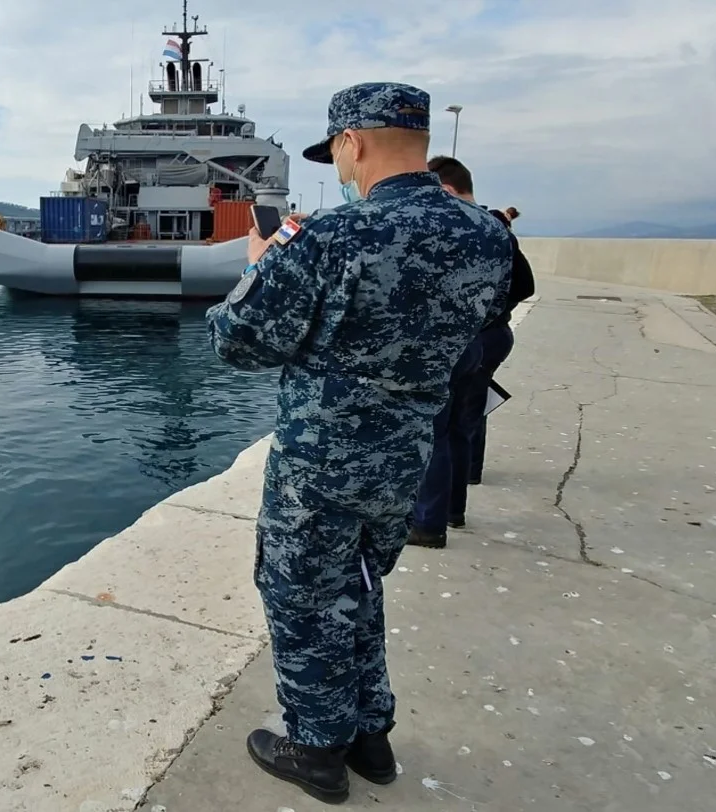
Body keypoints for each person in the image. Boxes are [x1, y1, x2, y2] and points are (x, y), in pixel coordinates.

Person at [205, 82, 513, 804]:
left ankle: (314, 745)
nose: (339, 167)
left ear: (354, 141)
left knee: (302, 594)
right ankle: (370, 733)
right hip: (405, 454)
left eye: (336, 151)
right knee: (360, 587)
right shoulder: (485, 233)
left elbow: (239, 343)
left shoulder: (328, 236)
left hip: (322, 458)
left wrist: (258, 265)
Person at [405, 157, 534, 547]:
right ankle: (453, 509)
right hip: (487, 339)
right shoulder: (494, 230)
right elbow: (523, 285)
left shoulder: (463, 229)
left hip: (465, 341)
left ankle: (428, 522)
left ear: (443, 190)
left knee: (435, 430)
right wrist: (487, 316)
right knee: (463, 427)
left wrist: (469, 320)